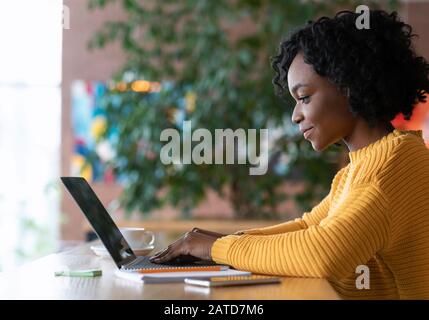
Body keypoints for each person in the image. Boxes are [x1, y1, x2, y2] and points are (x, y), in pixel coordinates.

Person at [150, 9, 429, 299]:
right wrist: (218, 243)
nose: (296, 116)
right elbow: (308, 227)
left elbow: (324, 253)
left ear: (350, 85)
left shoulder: (391, 167)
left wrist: (214, 248)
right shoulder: (365, 165)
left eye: (305, 97)